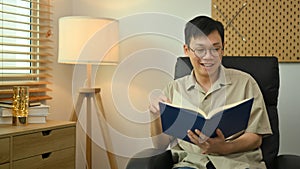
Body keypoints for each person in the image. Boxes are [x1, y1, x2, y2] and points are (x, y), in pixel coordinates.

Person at [149, 15, 272, 169]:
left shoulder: (245, 83)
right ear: (187, 50)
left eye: (215, 48)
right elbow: (160, 145)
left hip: (237, 164)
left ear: (223, 48)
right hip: (191, 164)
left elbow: (256, 138)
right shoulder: (174, 89)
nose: (208, 57)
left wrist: (224, 147)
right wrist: (155, 116)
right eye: (200, 50)